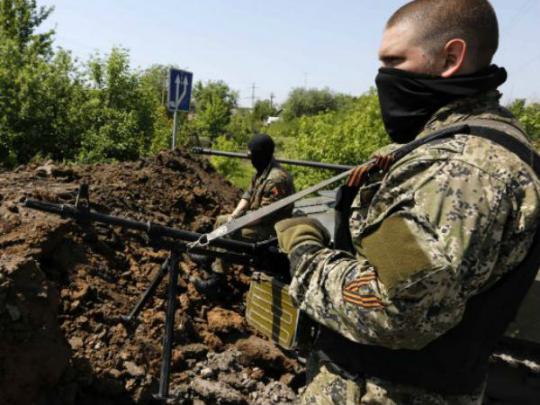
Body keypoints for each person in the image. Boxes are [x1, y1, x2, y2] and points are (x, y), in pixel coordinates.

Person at [274, 0, 540, 403]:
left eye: (394, 61)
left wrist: (305, 254)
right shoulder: (469, 144)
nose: (383, 77)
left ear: (451, 57)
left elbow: (396, 310)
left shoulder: (459, 169)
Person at [194, 133, 295, 294]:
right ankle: (210, 255)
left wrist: (235, 223)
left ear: (261, 155)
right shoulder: (263, 170)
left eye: (252, 155)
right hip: (259, 221)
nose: (250, 159)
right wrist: (233, 216)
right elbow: (247, 196)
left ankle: (217, 278)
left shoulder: (276, 180)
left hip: (272, 230)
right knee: (222, 220)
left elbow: (263, 215)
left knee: (228, 232)